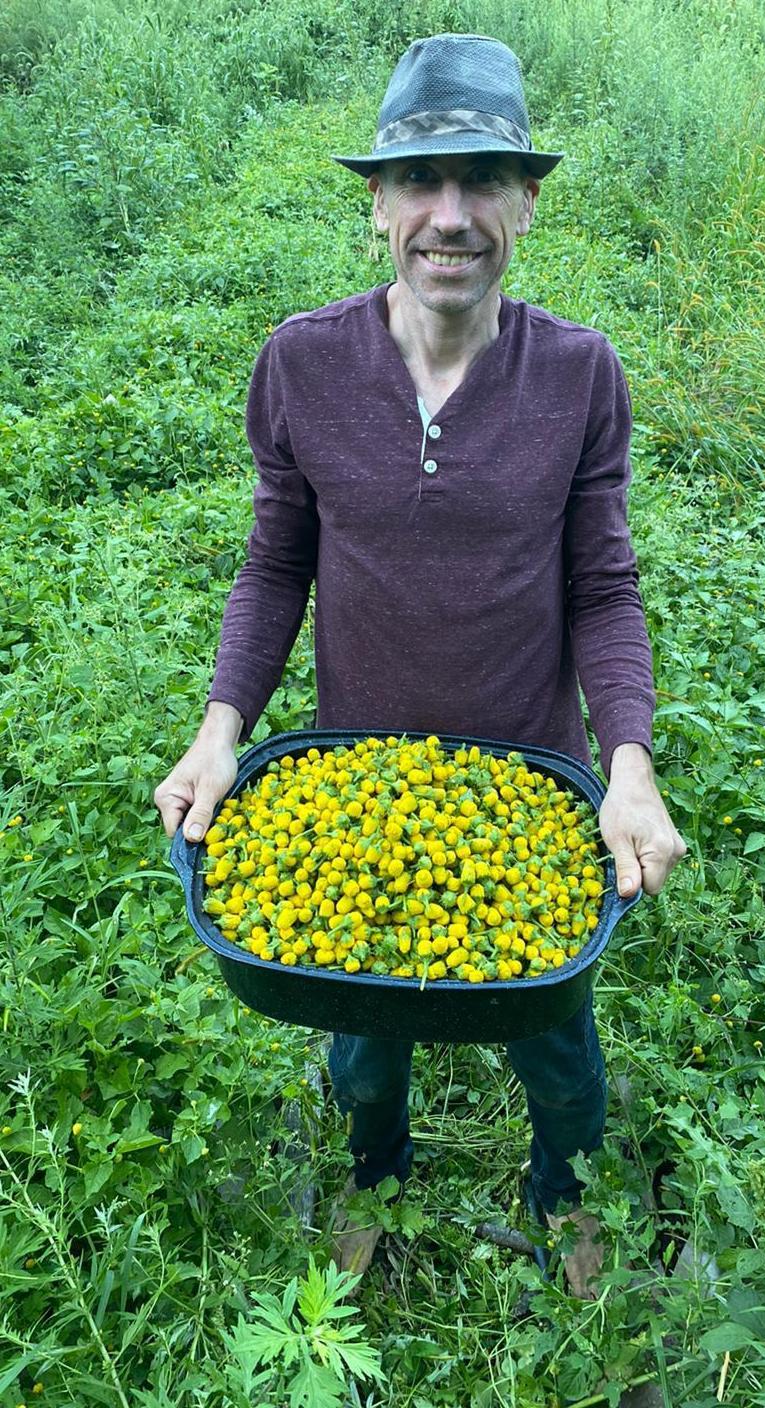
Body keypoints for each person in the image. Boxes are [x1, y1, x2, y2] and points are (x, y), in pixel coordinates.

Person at [154, 33, 686, 1298]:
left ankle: (568, 1199)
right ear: (378, 206)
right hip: (353, 775)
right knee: (363, 1021)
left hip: (530, 781)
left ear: (526, 204)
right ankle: (372, 1179)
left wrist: (625, 767)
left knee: (554, 1029)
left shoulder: (577, 373)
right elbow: (276, 564)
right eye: (421, 182)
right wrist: (221, 728)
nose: (450, 214)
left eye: (482, 179)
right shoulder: (300, 363)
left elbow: (602, 587)